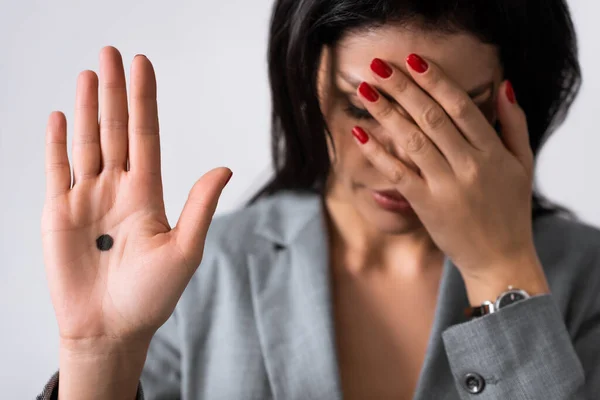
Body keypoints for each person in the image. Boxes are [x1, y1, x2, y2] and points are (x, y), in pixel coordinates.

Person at [37, 0, 599, 399]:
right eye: (363, 107)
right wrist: (97, 355)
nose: (396, 160)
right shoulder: (203, 269)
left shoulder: (585, 274)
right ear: (308, 84)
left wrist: (501, 271)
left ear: (513, 100)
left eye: (456, 116)